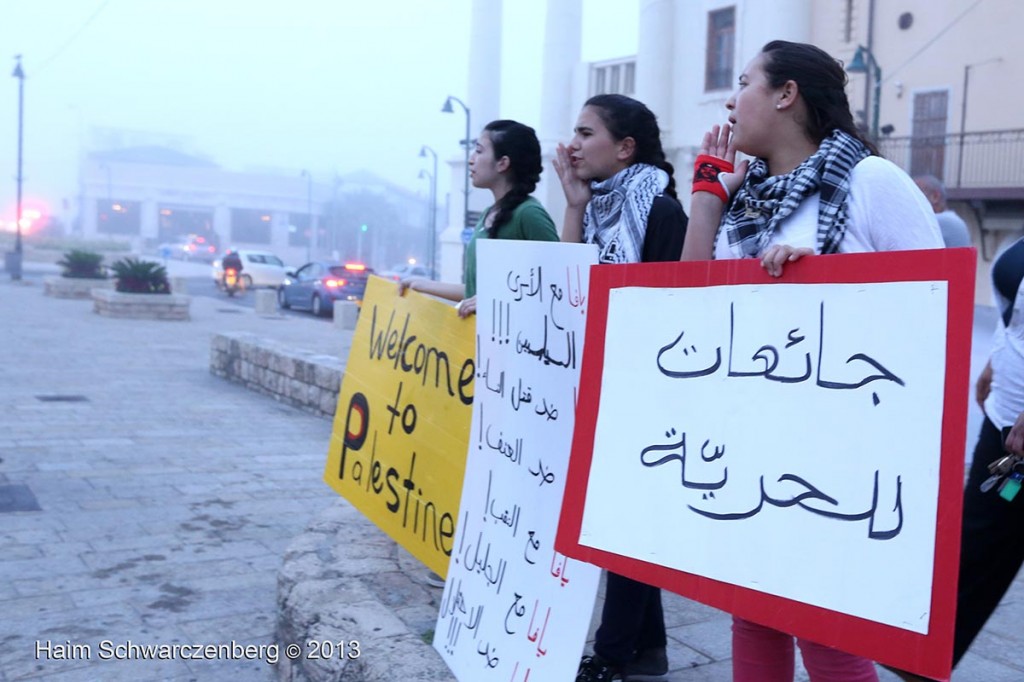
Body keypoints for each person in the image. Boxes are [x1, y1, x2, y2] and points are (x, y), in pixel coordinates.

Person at [680, 40, 942, 682]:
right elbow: (688, 312)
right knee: (751, 611)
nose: (730, 99)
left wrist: (819, 285)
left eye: (744, 82)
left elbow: (935, 313)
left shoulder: (871, 182)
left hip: (839, 453)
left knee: (826, 631)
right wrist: (709, 200)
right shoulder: (749, 201)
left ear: (786, 94)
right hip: (755, 444)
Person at [554, 93, 688, 682]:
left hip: (644, 399)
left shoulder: (660, 214)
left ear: (626, 147)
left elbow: (673, 315)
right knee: (620, 525)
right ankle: (648, 650)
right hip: (601, 393)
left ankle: (611, 656)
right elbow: (567, 293)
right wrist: (575, 208)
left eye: (586, 132)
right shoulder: (599, 208)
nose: (572, 144)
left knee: (624, 526)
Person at [401, 119, 559, 318]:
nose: (471, 159)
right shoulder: (489, 214)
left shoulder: (529, 214)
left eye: (479, 151)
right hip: (479, 340)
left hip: (513, 344)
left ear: (503, 163)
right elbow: (475, 293)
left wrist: (495, 300)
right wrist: (423, 285)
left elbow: (557, 286)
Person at [913, 174, 971, 247]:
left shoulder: (942, 221)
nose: (912, 201)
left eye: (916, 195)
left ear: (935, 197)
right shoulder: (951, 219)